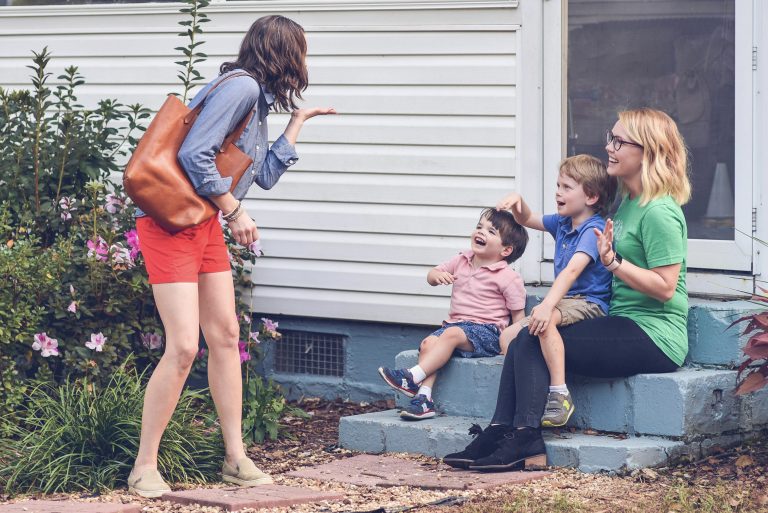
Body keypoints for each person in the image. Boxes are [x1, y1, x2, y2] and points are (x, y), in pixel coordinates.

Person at [128, 15, 335, 497]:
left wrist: (295, 126)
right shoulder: (240, 89)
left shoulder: (256, 103)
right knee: (183, 347)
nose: (304, 63)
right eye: (301, 52)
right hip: (171, 227)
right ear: (283, 54)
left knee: (225, 335)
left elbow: (260, 174)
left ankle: (235, 458)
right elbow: (195, 155)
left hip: (202, 227)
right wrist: (235, 212)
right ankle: (143, 467)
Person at [443, 108, 690, 471]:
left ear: (647, 151)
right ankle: (502, 432)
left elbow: (666, 289)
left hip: (655, 334)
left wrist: (614, 264)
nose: (610, 146)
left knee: (531, 336)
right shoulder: (627, 205)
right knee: (528, 334)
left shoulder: (659, 212)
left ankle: (524, 439)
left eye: (619, 141)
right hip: (621, 321)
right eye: (611, 137)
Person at [495, 154, 616, 428]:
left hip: (589, 302)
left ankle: (560, 394)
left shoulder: (593, 229)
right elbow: (526, 218)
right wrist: (518, 200)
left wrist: (547, 304)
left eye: (566, 187)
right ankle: (525, 393)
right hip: (566, 302)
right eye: (558, 185)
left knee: (543, 321)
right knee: (507, 337)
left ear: (591, 197)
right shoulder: (562, 223)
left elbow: (573, 271)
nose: (557, 192)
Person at [378, 208, 528, 420]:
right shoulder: (460, 260)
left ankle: (412, 376)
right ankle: (424, 399)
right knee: (428, 344)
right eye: (479, 226)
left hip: (488, 333)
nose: (481, 232)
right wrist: (437, 276)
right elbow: (431, 275)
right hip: (456, 328)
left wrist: (513, 347)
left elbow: (518, 317)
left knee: (451, 334)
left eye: (491, 231)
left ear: (505, 250)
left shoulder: (508, 278)